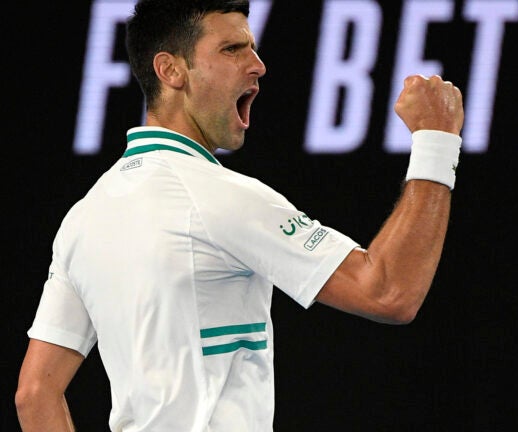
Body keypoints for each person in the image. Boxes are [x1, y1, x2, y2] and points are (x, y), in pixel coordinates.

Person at [15, 0, 463, 430]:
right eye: (231, 49)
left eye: (252, 47)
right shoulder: (219, 196)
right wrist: (436, 140)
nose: (258, 65)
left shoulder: (85, 215)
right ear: (171, 70)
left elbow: (35, 394)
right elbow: (388, 292)